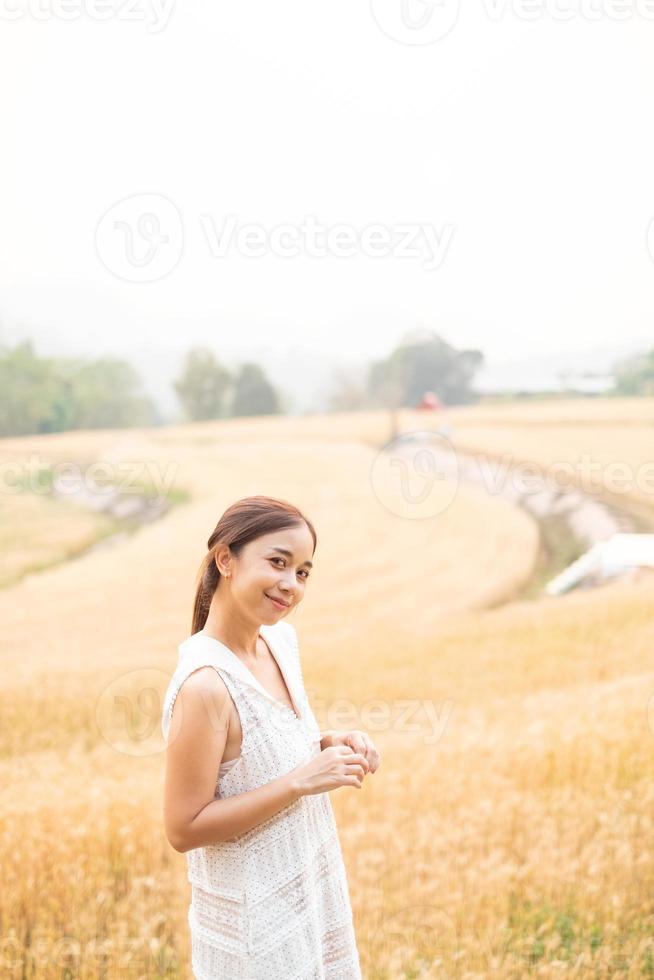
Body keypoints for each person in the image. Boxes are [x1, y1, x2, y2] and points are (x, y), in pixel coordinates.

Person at [161, 494, 381, 978]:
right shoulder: (204, 686)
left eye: (303, 572)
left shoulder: (279, 642)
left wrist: (327, 744)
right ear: (226, 560)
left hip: (313, 900)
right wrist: (301, 780)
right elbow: (183, 828)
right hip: (254, 938)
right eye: (278, 562)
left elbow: (259, 751)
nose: (291, 584)